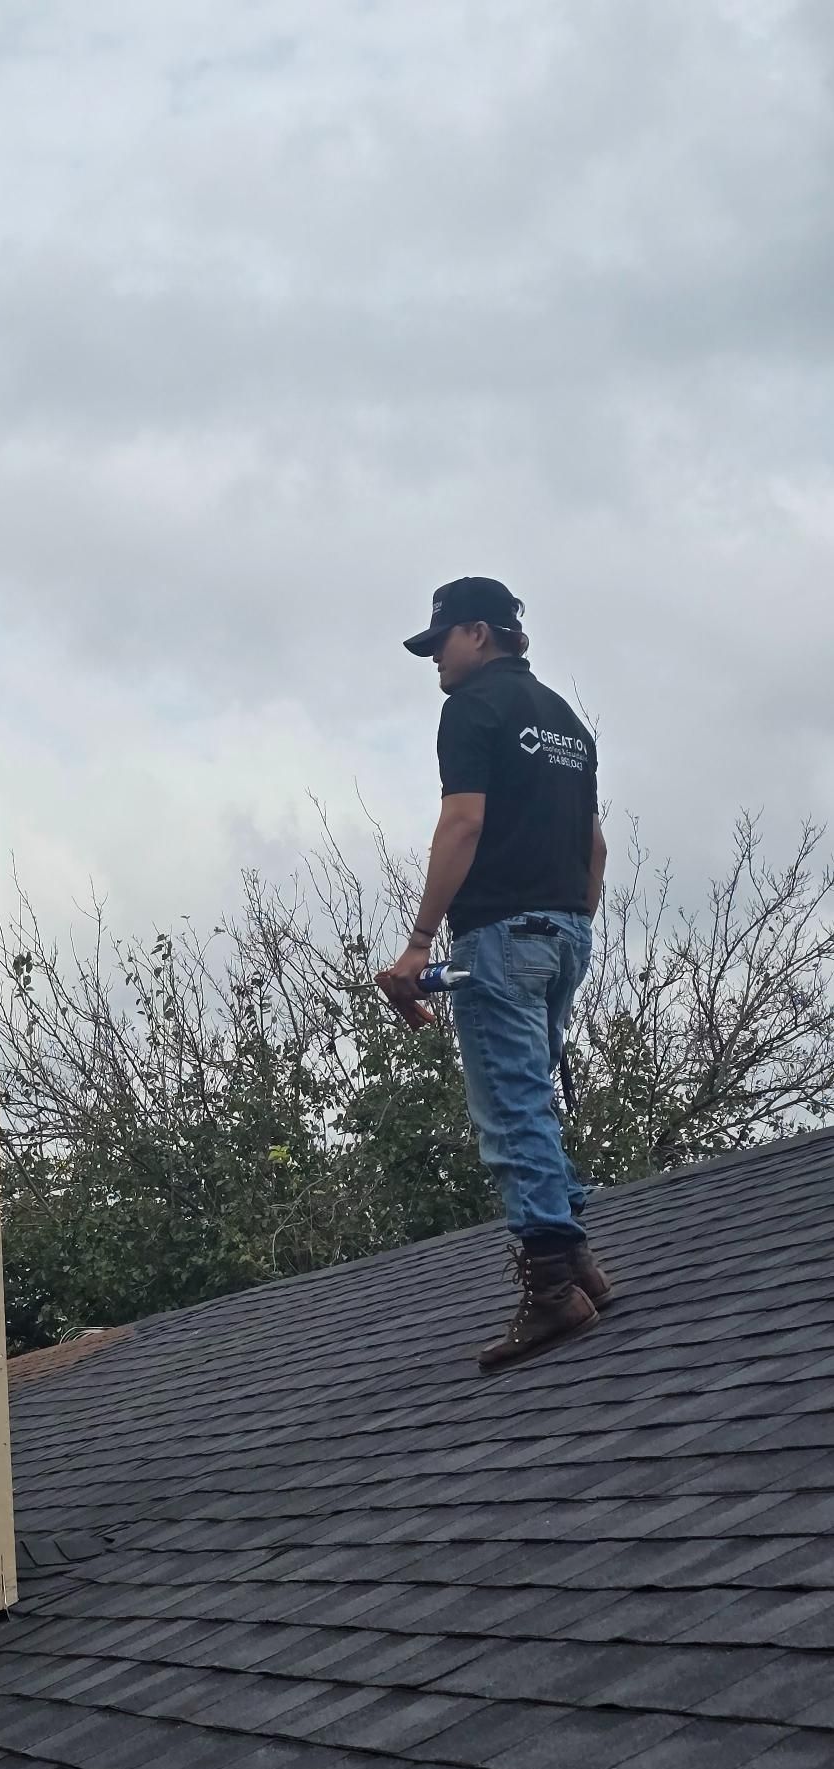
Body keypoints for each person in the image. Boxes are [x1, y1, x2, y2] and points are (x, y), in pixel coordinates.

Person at [378, 577, 609, 1371]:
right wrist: (572, 924)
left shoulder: (471, 708)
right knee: (531, 1098)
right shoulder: (567, 722)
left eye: (439, 643)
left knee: (510, 1112)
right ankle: (579, 1265)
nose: (434, 661)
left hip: (504, 935)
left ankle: (551, 1288)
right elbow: (596, 846)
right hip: (566, 930)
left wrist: (418, 941)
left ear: (479, 633)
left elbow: (464, 819)